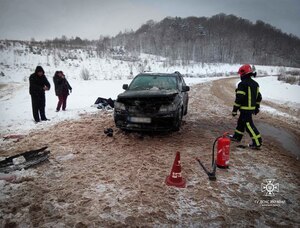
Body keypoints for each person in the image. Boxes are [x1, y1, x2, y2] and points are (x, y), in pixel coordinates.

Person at [230, 64, 262, 149]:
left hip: (245, 109)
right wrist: (257, 107)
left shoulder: (242, 84)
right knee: (241, 122)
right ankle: (237, 137)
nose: (240, 75)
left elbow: (239, 99)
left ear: (243, 74)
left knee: (249, 126)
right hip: (250, 109)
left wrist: (234, 110)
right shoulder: (255, 84)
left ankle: (257, 142)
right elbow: (259, 97)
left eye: (240, 74)